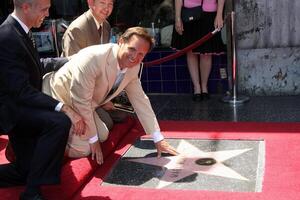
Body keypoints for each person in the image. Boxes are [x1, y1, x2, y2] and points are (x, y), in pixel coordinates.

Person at [42, 27, 179, 165]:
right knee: (84, 149)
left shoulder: (134, 66)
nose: (134, 57)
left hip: (84, 102)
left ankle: (65, 134)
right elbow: (81, 101)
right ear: (120, 42)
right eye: (132, 49)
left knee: (103, 135)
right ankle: (41, 138)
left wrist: (157, 138)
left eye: (141, 54)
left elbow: (140, 100)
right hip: (57, 95)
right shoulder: (94, 58)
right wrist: (93, 141)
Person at [0, 0, 85, 199]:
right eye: (44, 9)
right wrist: (62, 107)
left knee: (25, 171)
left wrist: (71, 59)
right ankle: (31, 193)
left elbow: (37, 65)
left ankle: (32, 178)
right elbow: (20, 90)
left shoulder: (20, 31)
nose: (47, 14)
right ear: (26, 7)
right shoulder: (6, 36)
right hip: (11, 111)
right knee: (58, 121)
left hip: (23, 106)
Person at [61, 0, 123, 131]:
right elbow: (73, 70)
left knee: (122, 115)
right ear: (90, 3)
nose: (107, 8)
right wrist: (101, 101)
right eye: (102, 3)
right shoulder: (78, 28)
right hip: (76, 89)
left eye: (110, 4)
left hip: (95, 85)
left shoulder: (105, 25)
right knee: (107, 125)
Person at [172, 0, 226, 101]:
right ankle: (197, 87)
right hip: (189, 12)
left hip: (210, 13)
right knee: (191, 51)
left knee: (206, 53)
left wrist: (219, 14)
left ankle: (204, 87)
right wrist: (178, 18)